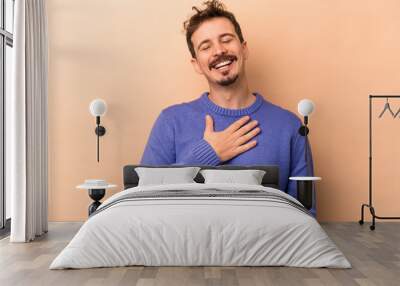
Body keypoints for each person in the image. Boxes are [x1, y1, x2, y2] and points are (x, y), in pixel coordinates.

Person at [140, 0, 315, 214]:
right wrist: (208, 153)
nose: (219, 50)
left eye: (226, 40)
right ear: (196, 64)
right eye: (206, 46)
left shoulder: (289, 126)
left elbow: (306, 216)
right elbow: (142, 203)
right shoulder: (170, 121)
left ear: (244, 48)